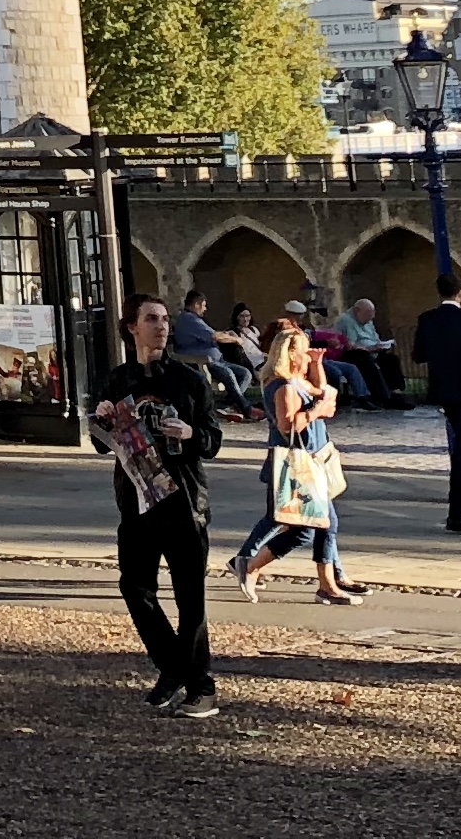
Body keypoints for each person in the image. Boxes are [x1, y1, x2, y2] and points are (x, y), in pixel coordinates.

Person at [90, 295, 223, 715]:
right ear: (132, 327)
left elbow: (213, 440)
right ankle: (175, 667)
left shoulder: (189, 380)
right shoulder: (117, 381)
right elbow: (100, 443)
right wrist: (103, 418)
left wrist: (189, 433)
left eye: (165, 319)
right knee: (135, 588)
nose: (161, 326)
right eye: (151, 319)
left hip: (184, 502)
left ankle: (202, 688)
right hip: (137, 503)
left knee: (190, 599)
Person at [228, 324, 363, 607]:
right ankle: (252, 565)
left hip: (312, 462)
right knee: (305, 527)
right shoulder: (285, 387)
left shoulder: (297, 382)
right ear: (291, 354)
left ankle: (325, 583)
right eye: (304, 350)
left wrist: (317, 364)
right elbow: (288, 425)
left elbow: (322, 392)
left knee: (315, 526)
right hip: (298, 466)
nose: (308, 353)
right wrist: (317, 411)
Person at [411, 267, 461, 533]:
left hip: (445, 393)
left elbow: (418, 355)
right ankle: (459, 513)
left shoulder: (427, 319)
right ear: (460, 293)